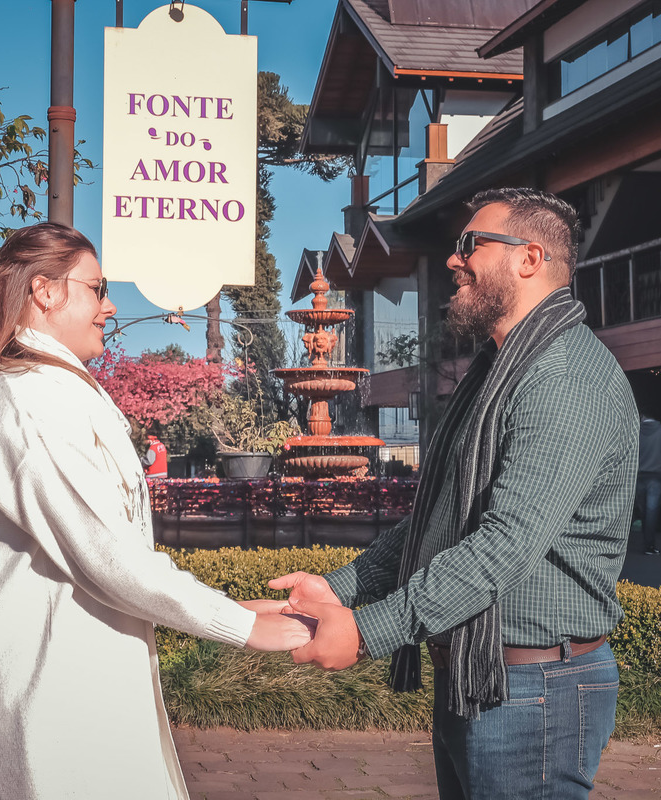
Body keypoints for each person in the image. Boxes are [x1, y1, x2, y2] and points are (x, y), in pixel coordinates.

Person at [267, 188, 639, 799]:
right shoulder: (501, 373)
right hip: (483, 677)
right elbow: (439, 522)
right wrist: (338, 587)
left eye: (470, 244)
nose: (451, 260)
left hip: (535, 690)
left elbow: (503, 545)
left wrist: (366, 632)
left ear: (529, 258)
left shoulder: (564, 376)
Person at [0, 222, 312, 800]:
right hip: (60, 704)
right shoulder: (29, 400)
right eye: (97, 287)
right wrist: (241, 627)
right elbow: (104, 557)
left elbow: (100, 552)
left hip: (84, 691)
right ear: (44, 291)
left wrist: (233, 605)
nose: (110, 306)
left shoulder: (52, 390)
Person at [634, 412, 661, 555]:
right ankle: (649, 545)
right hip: (656, 476)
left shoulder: (635, 433)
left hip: (638, 476)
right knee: (652, 511)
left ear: (643, 417)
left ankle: (646, 542)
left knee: (643, 511)